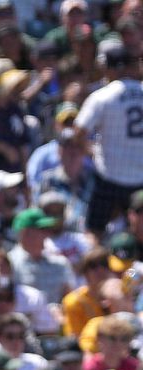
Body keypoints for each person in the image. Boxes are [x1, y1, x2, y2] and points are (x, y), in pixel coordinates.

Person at [72, 38, 143, 234]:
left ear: (110, 68)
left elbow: (78, 133)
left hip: (109, 175)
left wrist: (92, 151)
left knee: (94, 231)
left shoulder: (102, 96)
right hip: (140, 178)